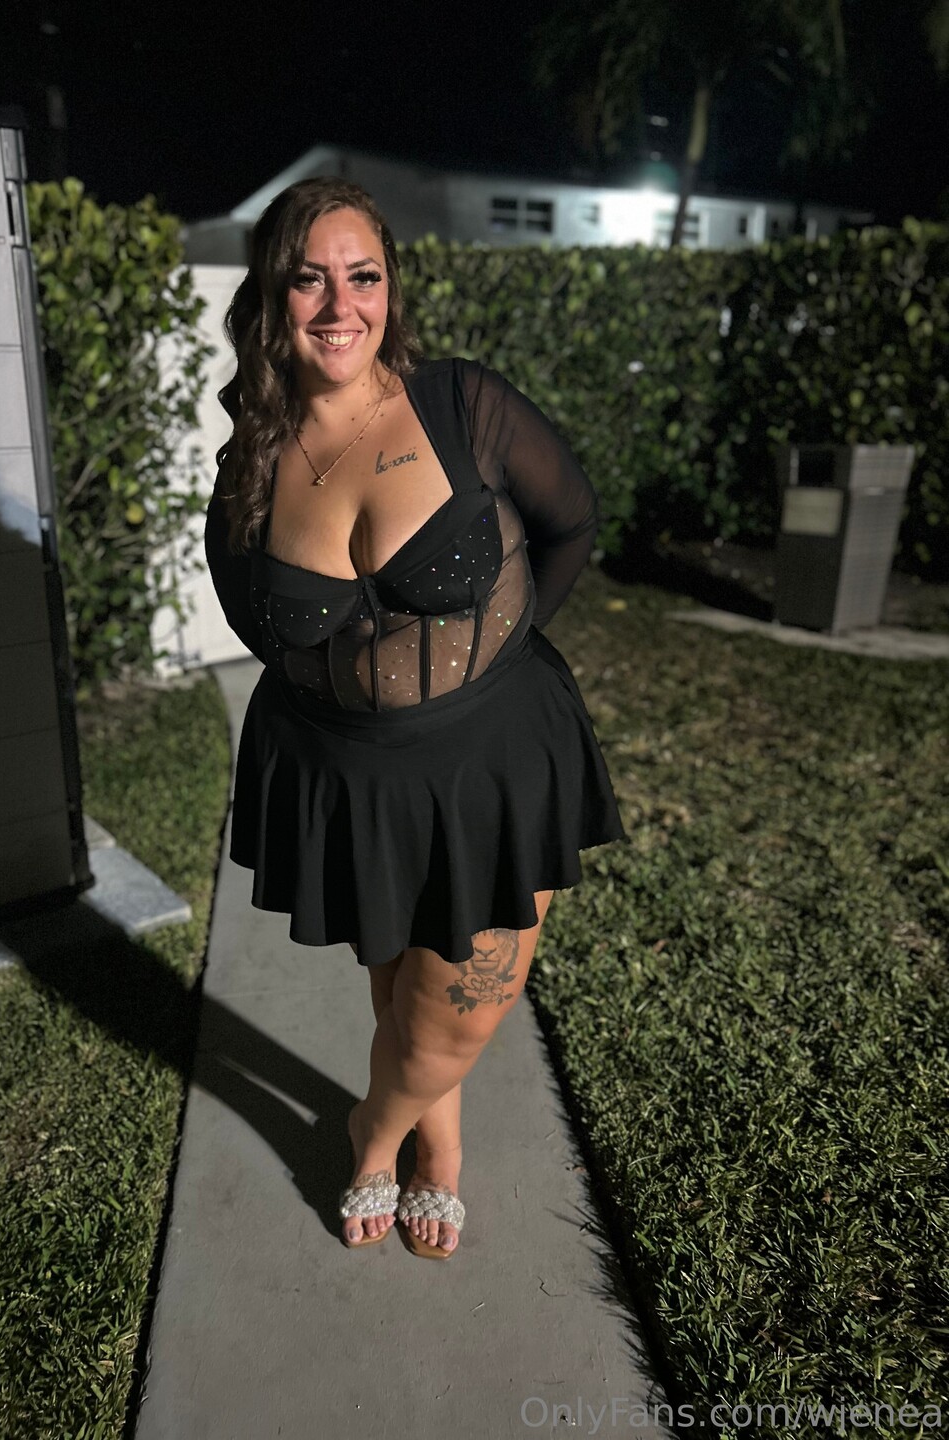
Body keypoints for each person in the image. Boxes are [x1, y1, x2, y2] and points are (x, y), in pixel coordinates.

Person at [204, 176, 627, 1260]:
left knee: (456, 1012)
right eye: (309, 279)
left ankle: (374, 1131)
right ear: (272, 295)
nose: (340, 305)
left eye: (364, 276)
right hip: (352, 778)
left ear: (392, 287)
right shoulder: (253, 457)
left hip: (489, 762)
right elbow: (256, 621)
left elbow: (572, 523)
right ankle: (439, 1149)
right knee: (400, 983)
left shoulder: (460, 406)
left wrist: (495, 660)